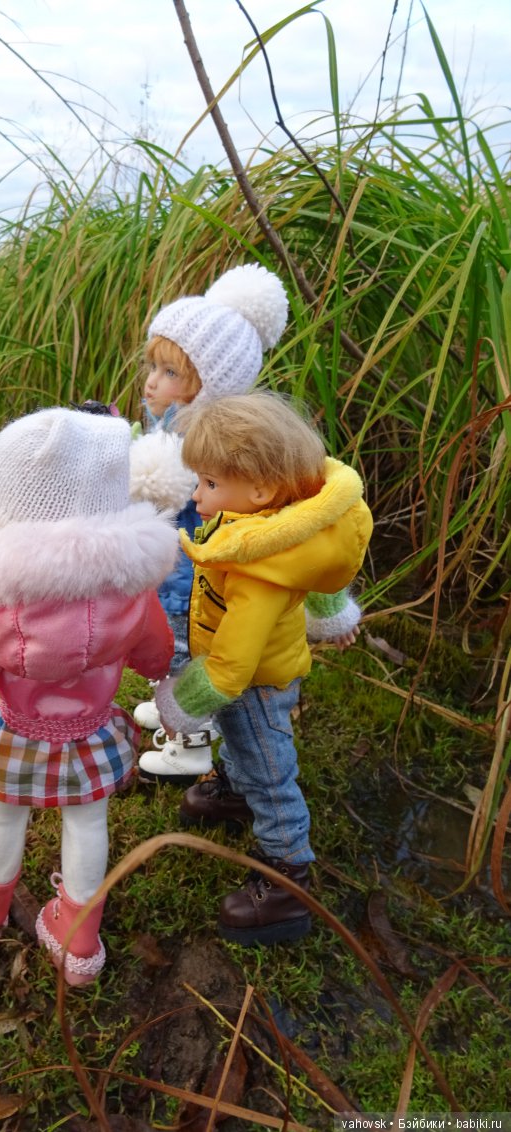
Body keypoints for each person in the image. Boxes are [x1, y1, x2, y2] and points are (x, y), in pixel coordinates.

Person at [0, 407, 177, 986]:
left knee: (3, 814)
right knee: (88, 825)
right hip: (91, 734)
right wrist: (164, 684)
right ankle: (79, 936)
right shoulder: (130, 587)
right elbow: (155, 648)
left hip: (17, 733)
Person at [152, 391, 373, 947]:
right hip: (257, 671)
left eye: (209, 484)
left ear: (260, 488)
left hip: (253, 682)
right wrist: (331, 614)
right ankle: (235, 786)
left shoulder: (259, 565)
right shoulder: (274, 524)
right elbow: (315, 568)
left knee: (269, 765)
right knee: (244, 742)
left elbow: (231, 666)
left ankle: (286, 873)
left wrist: (180, 704)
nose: (198, 496)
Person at [129, 263, 290, 783]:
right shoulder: (172, 429)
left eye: (171, 373)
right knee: (172, 649)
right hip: (175, 570)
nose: (153, 382)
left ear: (209, 388)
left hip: (186, 578)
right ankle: (174, 709)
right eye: (154, 367)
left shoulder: (192, 447)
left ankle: (191, 744)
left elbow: (158, 489)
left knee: (182, 652)